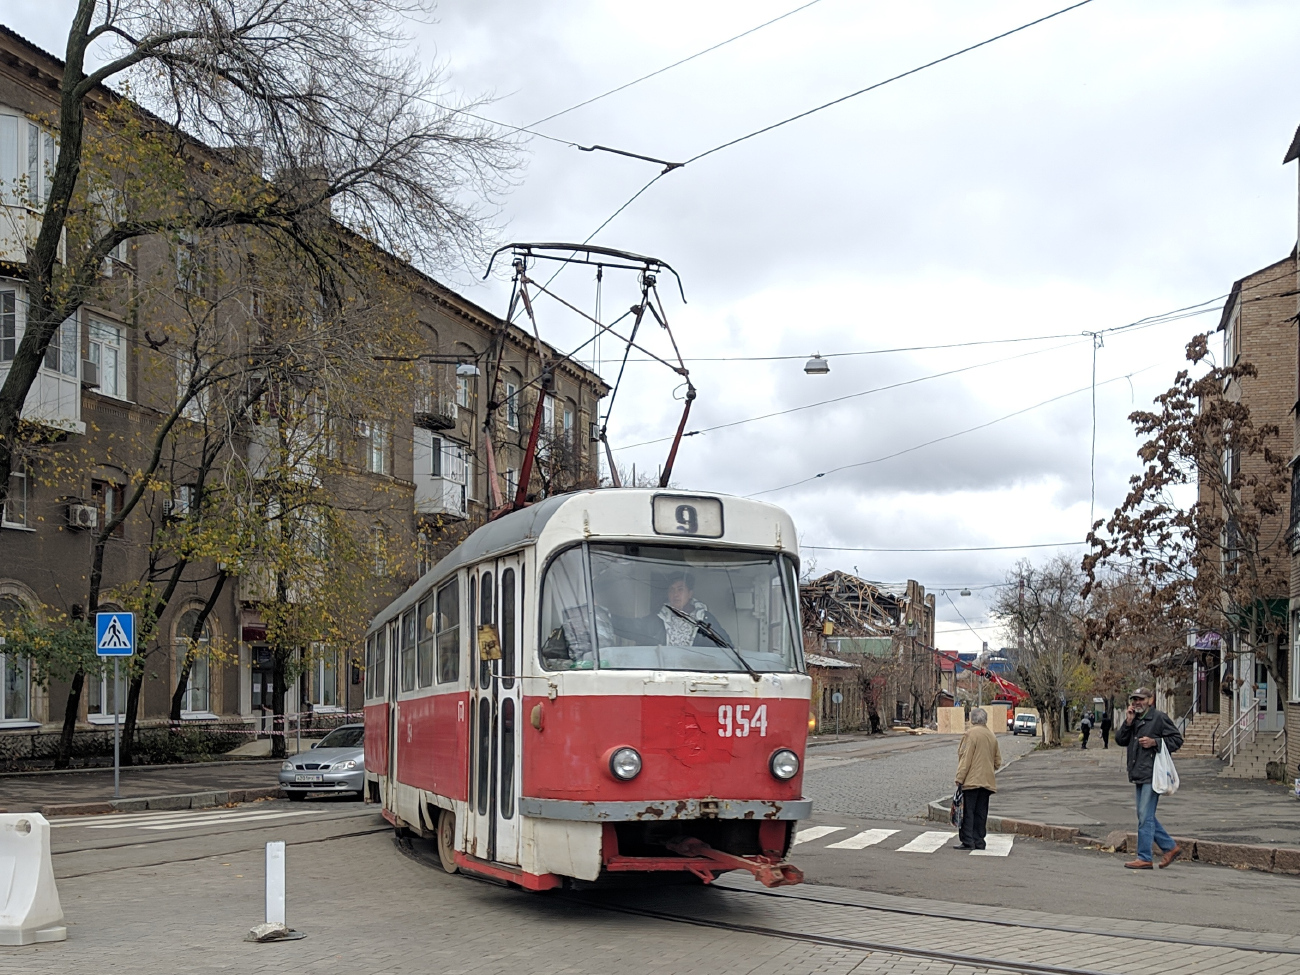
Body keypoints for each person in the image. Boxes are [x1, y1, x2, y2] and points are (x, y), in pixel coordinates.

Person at [1114, 687, 1183, 869]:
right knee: (1144, 815)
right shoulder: (1134, 719)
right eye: (1134, 699)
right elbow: (1120, 740)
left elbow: (1177, 739)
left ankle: (1144, 856)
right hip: (1138, 773)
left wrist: (1156, 742)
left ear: (1150, 700)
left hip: (1154, 774)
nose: (1137, 702)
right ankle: (1170, 847)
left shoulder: (1158, 718)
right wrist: (1127, 722)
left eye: (1141, 699)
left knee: (1145, 815)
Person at [610, 573, 731, 649]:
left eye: (680, 589)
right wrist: (602, 614)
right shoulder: (659, 618)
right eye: (671, 590)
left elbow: (726, 647)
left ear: (690, 594)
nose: (675, 594)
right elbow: (631, 627)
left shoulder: (705, 618)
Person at [953, 707, 1001, 851]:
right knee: (981, 812)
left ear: (971, 719)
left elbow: (965, 759)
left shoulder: (970, 735)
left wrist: (959, 778)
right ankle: (979, 840)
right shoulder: (992, 736)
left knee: (968, 811)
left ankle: (968, 841)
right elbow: (998, 762)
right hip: (987, 781)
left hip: (971, 781)